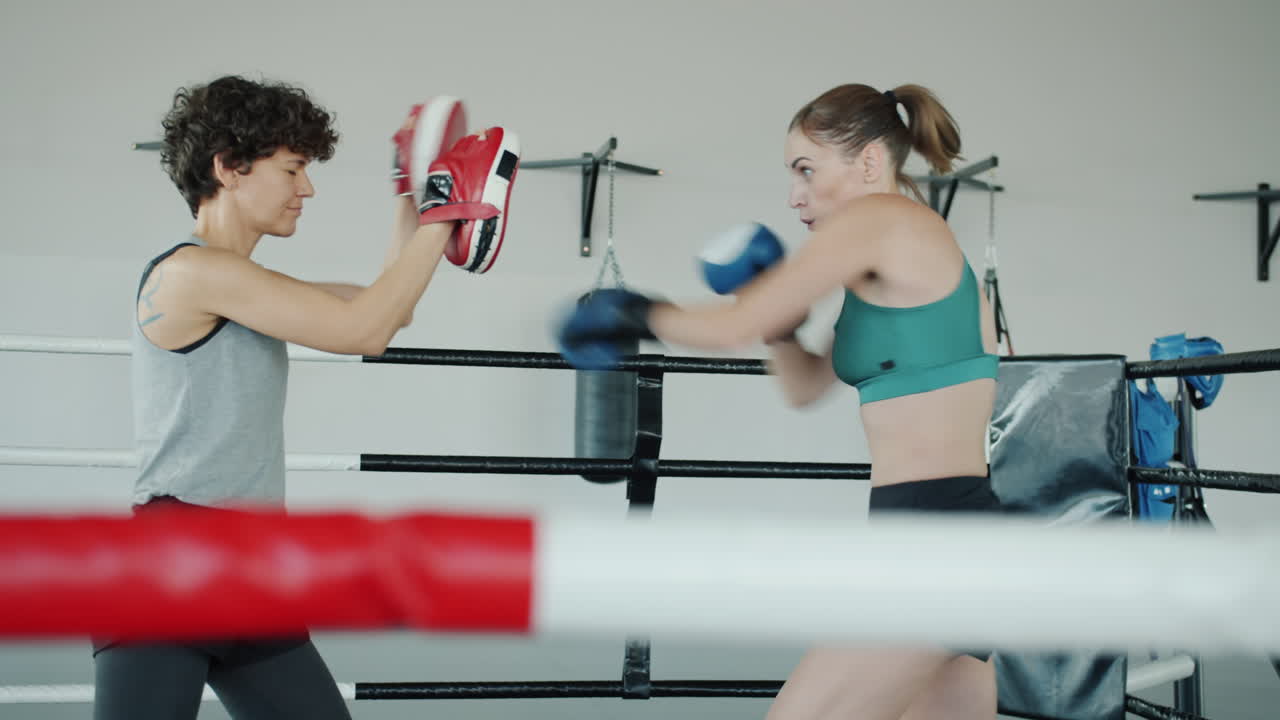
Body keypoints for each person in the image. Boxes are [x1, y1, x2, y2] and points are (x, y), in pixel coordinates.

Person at [557, 83, 1000, 720]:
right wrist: (779, 323)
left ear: (869, 162)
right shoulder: (892, 256)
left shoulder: (879, 221)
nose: (794, 194)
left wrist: (634, 312)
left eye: (806, 170)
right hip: (954, 532)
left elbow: (732, 329)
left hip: (933, 542)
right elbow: (805, 387)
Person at [92, 74, 519, 720]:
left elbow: (386, 311)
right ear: (228, 168)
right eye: (292, 170)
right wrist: (448, 208)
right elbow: (363, 330)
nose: (307, 188)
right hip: (168, 569)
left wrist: (411, 200)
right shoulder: (190, 273)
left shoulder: (247, 284)